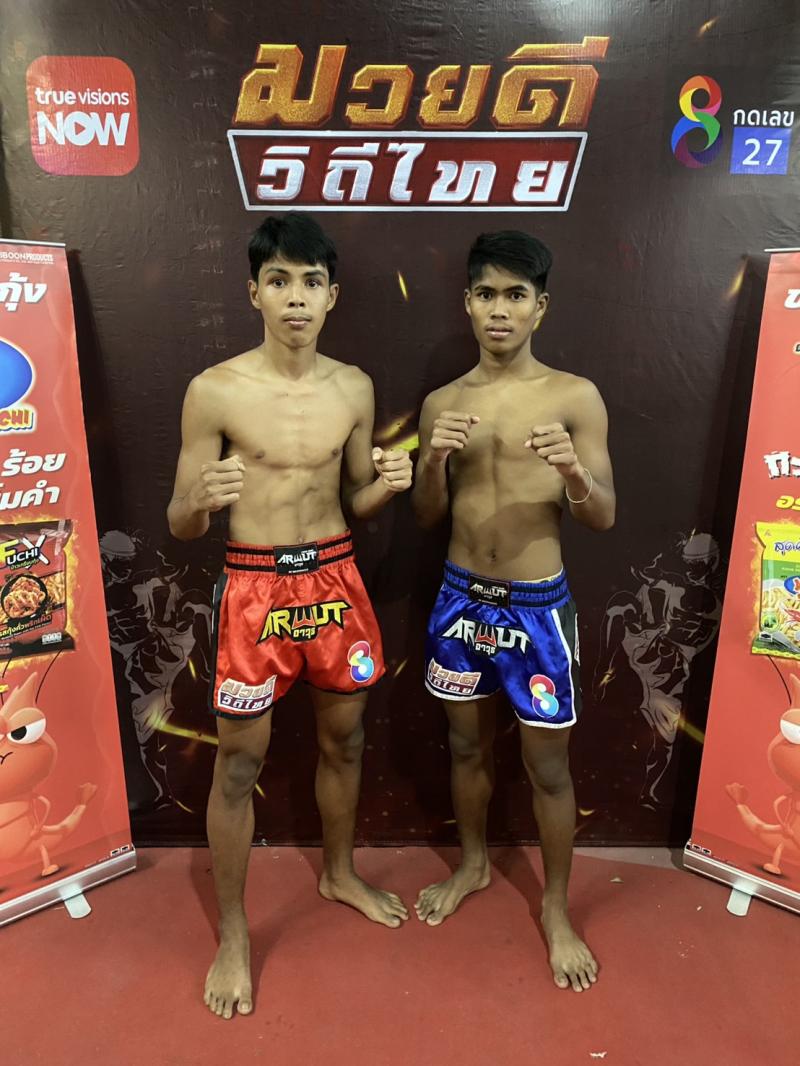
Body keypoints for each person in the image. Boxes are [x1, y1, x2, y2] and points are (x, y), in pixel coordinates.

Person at [167, 212, 412, 1020]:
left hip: (335, 580)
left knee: (346, 741)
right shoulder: (214, 389)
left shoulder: (354, 387)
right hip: (253, 587)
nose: (296, 297)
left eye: (311, 282)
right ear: (255, 293)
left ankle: (338, 874)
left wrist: (390, 486)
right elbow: (180, 521)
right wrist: (199, 502)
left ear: (332, 295)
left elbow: (357, 497)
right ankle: (234, 933)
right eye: (280, 281)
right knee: (239, 766)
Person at [412, 230, 615, 992]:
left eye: (516, 296)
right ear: (468, 303)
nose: (500, 310)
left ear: (540, 307)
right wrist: (433, 460)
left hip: (537, 608)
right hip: (461, 598)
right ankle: (472, 864)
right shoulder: (443, 403)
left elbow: (603, 516)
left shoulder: (574, 396)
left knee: (548, 768)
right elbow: (427, 515)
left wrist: (573, 472)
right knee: (465, 749)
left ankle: (556, 910)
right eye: (487, 294)